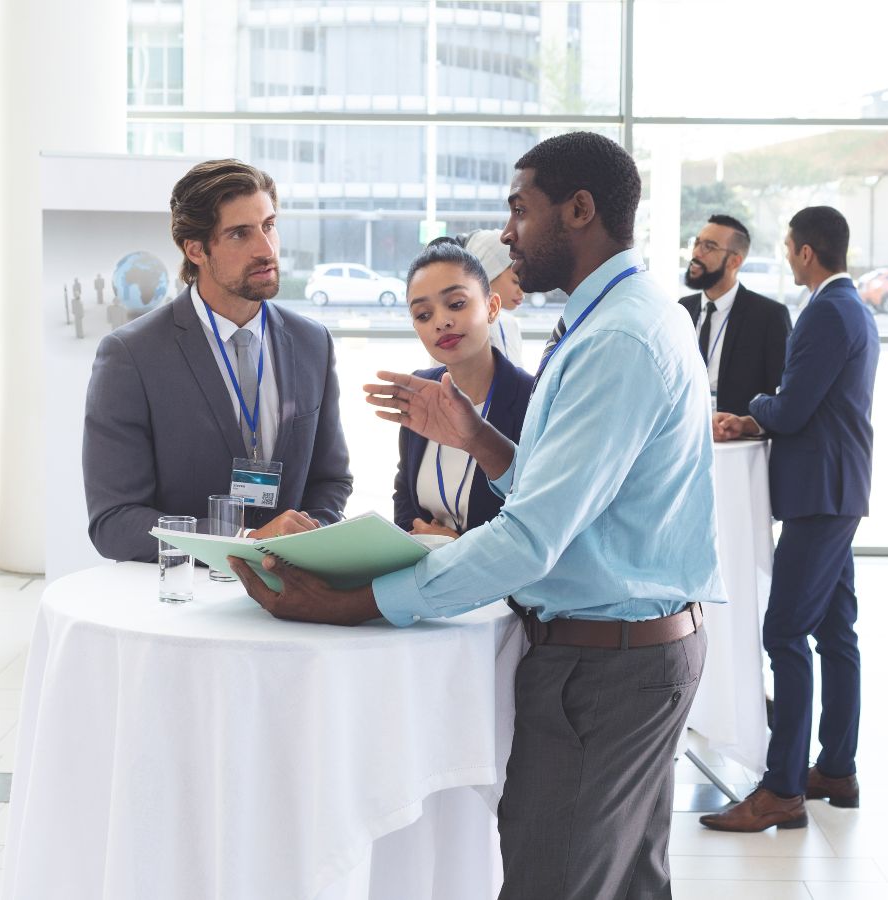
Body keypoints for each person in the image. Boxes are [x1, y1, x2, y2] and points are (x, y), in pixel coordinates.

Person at [227, 131, 722, 899]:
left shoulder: (619, 337)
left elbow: (531, 537)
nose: (507, 236)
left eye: (519, 212)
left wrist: (354, 604)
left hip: (607, 668)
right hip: (630, 653)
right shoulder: (624, 316)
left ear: (580, 210)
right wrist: (475, 436)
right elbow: (573, 496)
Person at [699, 206, 877, 832]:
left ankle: (781, 789)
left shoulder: (827, 311)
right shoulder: (851, 306)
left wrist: (751, 407)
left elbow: (794, 407)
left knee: (784, 634)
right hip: (836, 490)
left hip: (819, 495)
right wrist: (761, 417)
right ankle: (835, 767)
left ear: (804, 252)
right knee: (835, 633)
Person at [83, 159, 352, 562]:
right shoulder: (131, 356)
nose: (266, 249)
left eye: (269, 225)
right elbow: (115, 521)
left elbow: (330, 480)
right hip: (185, 599)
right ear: (196, 249)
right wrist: (245, 539)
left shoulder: (312, 342)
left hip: (294, 595)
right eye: (241, 234)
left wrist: (306, 541)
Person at [393, 237, 534, 537]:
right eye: (423, 315)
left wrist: (454, 547)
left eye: (456, 304)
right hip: (424, 577)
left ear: (492, 307)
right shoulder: (421, 390)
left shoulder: (531, 399)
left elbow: (536, 522)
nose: (441, 322)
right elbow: (405, 501)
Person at [678, 214, 791, 416]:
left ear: (734, 261)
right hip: (685, 432)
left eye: (709, 247)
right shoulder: (682, 309)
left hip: (739, 440)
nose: (696, 253)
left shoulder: (769, 316)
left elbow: (780, 392)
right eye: (697, 243)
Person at [461, 229, 527, 369]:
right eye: (515, 281)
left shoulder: (510, 324)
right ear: (487, 274)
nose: (523, 290)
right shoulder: (458, 330)